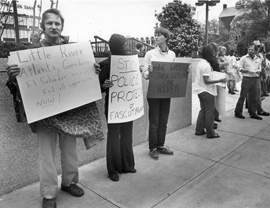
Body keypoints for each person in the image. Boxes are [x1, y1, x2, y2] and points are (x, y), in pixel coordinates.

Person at [5, 9, 104, 208]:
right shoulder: (28, 53)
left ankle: (70, 182)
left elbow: (84, 79)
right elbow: (17, 86)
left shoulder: (73, 52)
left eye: (57, 24)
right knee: (46, 155)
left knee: (70, 150)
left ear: (61, 27)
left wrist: (93, 71)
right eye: (49, 23)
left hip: (69, 111)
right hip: (44, 112)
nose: (53, 27)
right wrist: (12, 76)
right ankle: (49, 194)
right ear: (43, 27)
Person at [99, 34, 136, 182]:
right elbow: (98, 88)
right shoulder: (106, 64)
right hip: (114, 106)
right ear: (117, 47)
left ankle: (127, 164)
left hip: (127, 104)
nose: (127, 47)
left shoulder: (130, 62)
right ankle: (113, 169)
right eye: (124, 45)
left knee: (127, 134)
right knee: (114, 136)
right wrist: (104, 85)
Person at [142, 27, 176, 160]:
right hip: (154, 91)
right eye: (155, 35)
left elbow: (174, 73)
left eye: (159, 35)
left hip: (166, 91)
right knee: (154, 121)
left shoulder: (172, 54)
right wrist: (149, 71)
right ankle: (153, 148)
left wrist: (185, 72)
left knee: (164, 120)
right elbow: (144, 74)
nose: (156, 37)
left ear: (166, 38)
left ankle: (161, 145)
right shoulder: (150, 54)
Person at [194, 44, 226, 138]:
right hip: (207, 91)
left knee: (203, 111)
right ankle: (210, 133)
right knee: (210, 113)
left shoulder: (200, 62)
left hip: (200, 90)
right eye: (213, 52)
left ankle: (199, 130)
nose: (214, 54)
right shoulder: (206, 65)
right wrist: (220, 80)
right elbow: (207, 80)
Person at [234, 43, 263, 120]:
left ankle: (253, 113)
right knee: (242, 96)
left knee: (254, 97)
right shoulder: (244, 58)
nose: (250, 51)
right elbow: (239, 68)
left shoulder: (258, 59)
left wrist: (258, 71)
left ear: (255, 51)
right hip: (247, 78)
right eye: (249, 49)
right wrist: (247, 71)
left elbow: (260, 68)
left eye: (252, 49)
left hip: (255, 78)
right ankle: (238, 112)